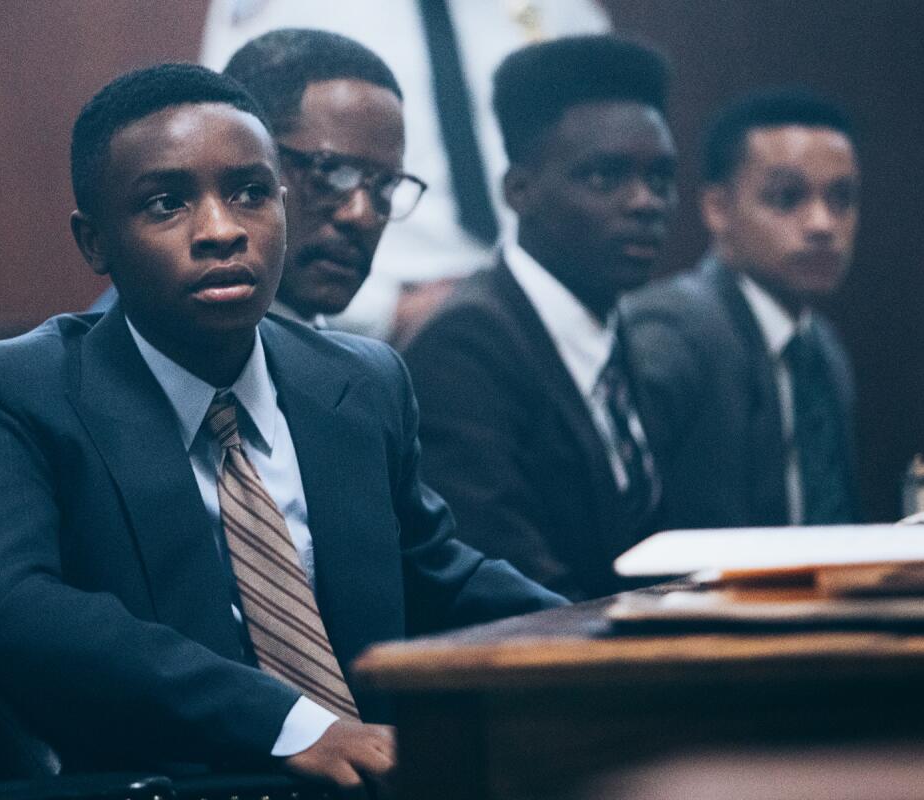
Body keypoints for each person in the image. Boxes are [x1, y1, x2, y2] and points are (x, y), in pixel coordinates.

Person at [0, 63, 564, 792]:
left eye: (251, 194)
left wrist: (625, 629)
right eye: (166, 204)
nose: (222, 231)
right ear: (95, 242)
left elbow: (438, 577)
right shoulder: (12, 392)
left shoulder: (361, 381)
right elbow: (9, 609)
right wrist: (287, 724)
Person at [402, 36, 677, 601]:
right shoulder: (464, 347)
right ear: (518, 190)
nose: (645, 202)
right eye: (605, 177)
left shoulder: (623, 334)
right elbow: (510, 586)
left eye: (659, 178)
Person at [197, 0, 611, 341]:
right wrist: (384, 314)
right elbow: (233, 157)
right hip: (362, 309)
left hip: (527, 311)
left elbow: (609, 161)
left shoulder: (562, 10)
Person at [624, 88, 861, 529]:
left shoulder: (821, 346)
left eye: (841, 199)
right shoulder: (673, 332)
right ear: (717, 208)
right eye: (787, 198)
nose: (823, 224)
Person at [93, 29, 428, 331]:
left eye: (386, 185)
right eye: (331, 173)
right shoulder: (93, 379)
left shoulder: (366, 376)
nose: (362, 215)